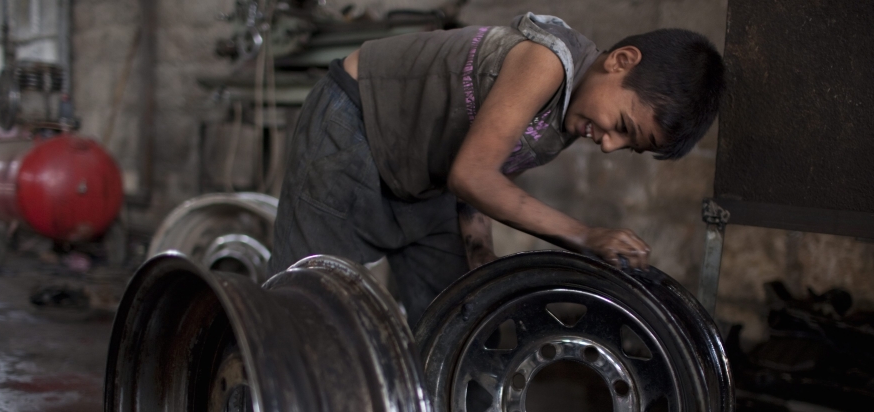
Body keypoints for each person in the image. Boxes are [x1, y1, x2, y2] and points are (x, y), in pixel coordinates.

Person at [269, 13, 724, 327]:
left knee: (460, 318)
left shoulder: (568, 119)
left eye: (629, 146)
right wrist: (586, 236)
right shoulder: (546, 63)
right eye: (622, 126)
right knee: (305, 311)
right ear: (620, 61)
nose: (609, 145)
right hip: (354, 127)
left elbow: (482, 186)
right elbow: (472, 176)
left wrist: (481, 263)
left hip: (424, 179)